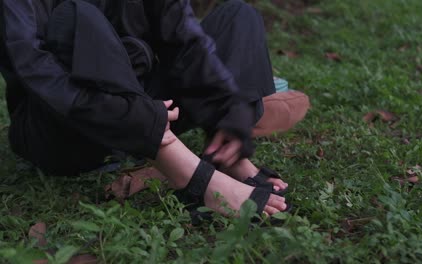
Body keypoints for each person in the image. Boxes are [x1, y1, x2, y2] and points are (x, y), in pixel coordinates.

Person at [0, 0, 289, 215]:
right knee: (75, 15)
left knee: (238, 16)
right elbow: (36, 69)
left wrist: (226, 106)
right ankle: (192, 176)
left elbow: (186, 42)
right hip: (61, 128)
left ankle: (225, 152)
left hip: (148, 107)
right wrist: (135, 116)